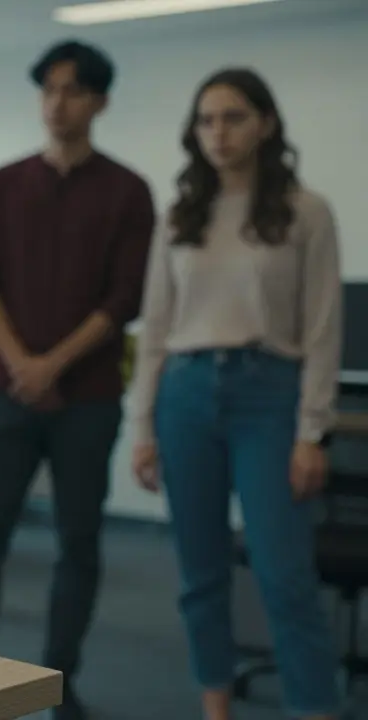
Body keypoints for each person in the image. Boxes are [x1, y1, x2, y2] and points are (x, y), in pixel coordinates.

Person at [0, 41, 155, 720]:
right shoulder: (4, 184)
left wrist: (51, 365)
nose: (56, 103)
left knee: (78, 543)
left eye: (71, 90)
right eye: (48, 90)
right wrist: (21, 362)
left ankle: (61, 680)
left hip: (86, 399)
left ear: (98, 101)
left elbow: (125, 298)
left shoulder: (127, 191)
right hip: (8, 392)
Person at [129, 68, 342, 720]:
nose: (218, 132)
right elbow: (156, 325)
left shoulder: (306, 210)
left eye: (233, 117)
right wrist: (141, 427)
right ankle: (215, 707)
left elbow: (323, 326)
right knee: (201, 576)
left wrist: (313, 430)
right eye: (206, 120)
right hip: (185, 396)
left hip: (268, 396)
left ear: (266, 124)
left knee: (284, 578)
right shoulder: (178, 217)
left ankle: (312, 708)